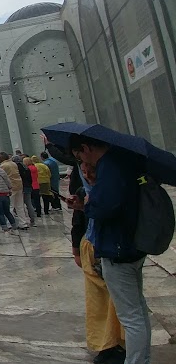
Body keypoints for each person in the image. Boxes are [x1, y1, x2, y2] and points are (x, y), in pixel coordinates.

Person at [71, 134, 152, 363]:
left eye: (79, 156)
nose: (83, 165)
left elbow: (105, 209)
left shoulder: (110, 169)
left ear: (86, 148)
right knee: (138, 311)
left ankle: (137, 361)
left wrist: (87, 205)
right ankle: (142, 358)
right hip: (131, 247)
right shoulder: (124, 163)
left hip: (117, 250)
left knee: (131, 316)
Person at [0, 153, 28, 230]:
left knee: (10, 206)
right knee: (20, 206)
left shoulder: (3, 166)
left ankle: (11, 223)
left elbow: (3, 177)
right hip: (19, 185)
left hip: (11, 187)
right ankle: (23, 223)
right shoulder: (13, 163)